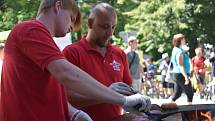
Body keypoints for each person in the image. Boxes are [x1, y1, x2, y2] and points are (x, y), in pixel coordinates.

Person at [0, 0, 151, 121]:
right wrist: (122, 99)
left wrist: (72, 113)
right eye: (71, 18)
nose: (71, 27)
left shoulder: (46, 42)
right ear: (58, 5)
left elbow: (45, 91)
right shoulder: (30, 29)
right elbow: (66, 73)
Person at [62, 3, 151, 121]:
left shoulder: (119, 54)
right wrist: (107, 94)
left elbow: (127, 91)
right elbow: (65, 98)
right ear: (90, 23)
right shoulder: (72, 53)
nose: (110, 33)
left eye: (113, 27)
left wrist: (137, 103)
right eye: (105, 27)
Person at [170, 33, 194, 104]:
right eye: (183, 39)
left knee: (178, 93)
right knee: (190, 93)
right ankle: (190, 110)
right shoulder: (179, 51)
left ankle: (168, 104)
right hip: (180, 74)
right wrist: (186, 77)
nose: (184, 40)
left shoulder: (177, 49)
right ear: (179, 40)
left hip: (178, 74)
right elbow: (181, 65)